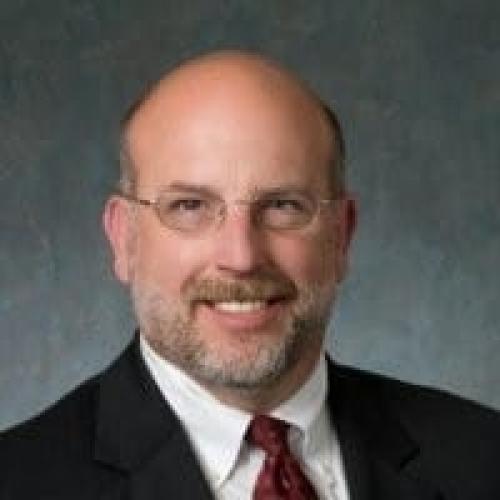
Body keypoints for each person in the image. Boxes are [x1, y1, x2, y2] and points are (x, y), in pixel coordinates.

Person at [0, 50, 499, 500]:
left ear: (341, 236)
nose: (241, 257)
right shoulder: (21, 480)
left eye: (283, 206)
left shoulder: (482, 459)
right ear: (123, 239)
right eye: (190, 206)